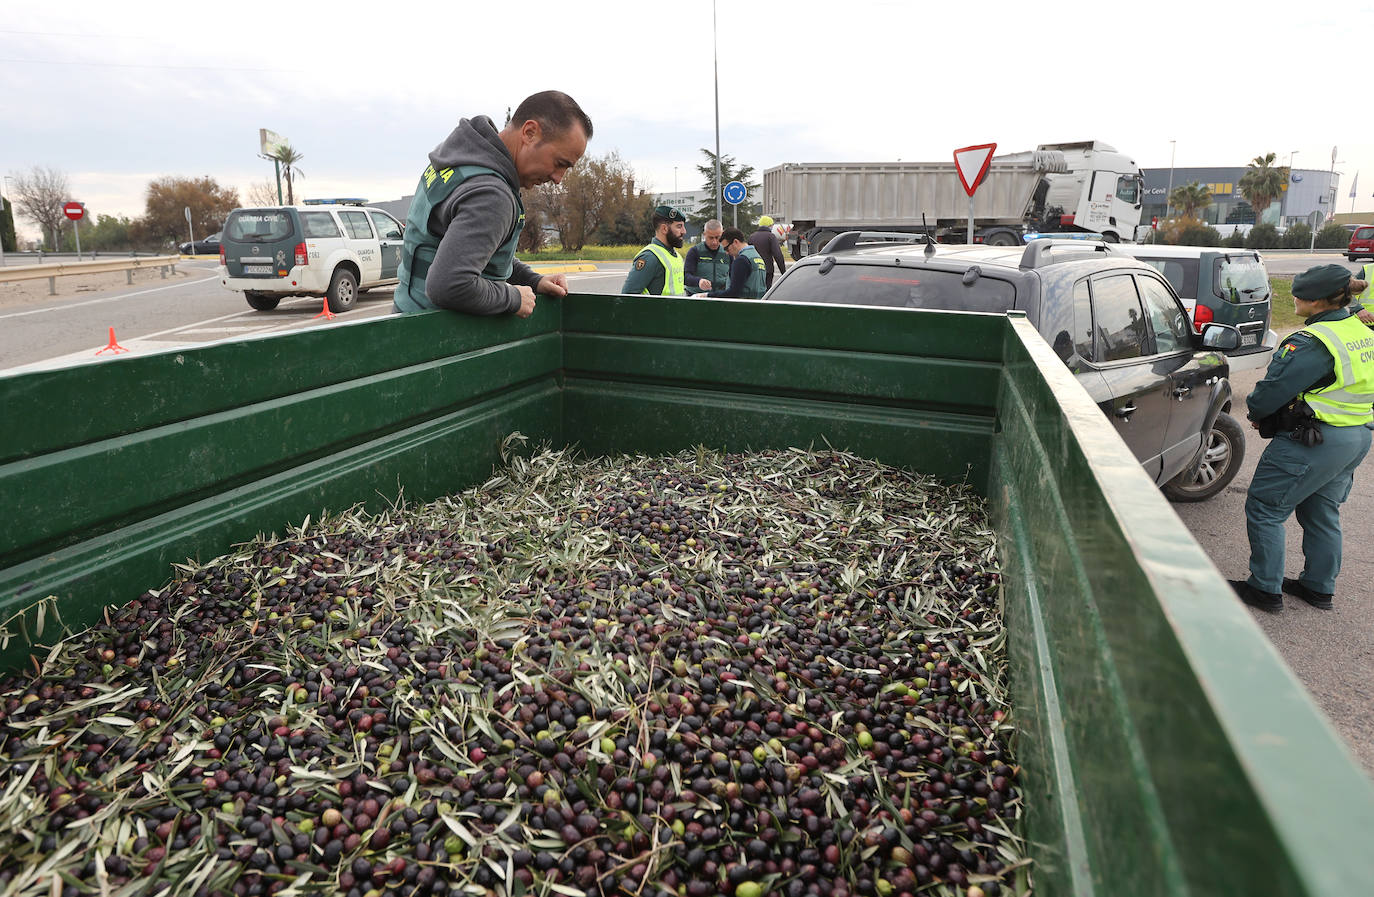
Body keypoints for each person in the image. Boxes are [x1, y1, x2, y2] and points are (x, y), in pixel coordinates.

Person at [1231, 264, 1374, 612]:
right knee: (1322, 511)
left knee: (1266, 508)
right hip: (1355, 436)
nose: (1294, 298)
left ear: (1318, 301)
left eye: (1301, 294)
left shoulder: (1314, 341)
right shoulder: (1360, 329)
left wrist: (1256, 413)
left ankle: (1264, 589)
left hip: (1313, 440)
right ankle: (1318, 587)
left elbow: (1270, 392)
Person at [394, 90, 592, 317]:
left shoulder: (459, 162)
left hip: (407, 319)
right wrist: (513, 298)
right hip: (442, 343)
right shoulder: (492, 195)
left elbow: (473, 254)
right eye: (559, 163)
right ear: (529, 132)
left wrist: (531, 280)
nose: (558, 178)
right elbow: (447, 285)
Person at [622, 206, 708, 296]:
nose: (684, 231)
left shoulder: (676, 256)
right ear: (664, 229)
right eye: (679, 226)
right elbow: (627, 297)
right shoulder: (650, 257)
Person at [705, 227, 767, 299]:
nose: (726, 252)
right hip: (759, 304)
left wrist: (708, 295)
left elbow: (733, 292)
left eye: (726, 248)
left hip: (742, 306)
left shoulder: (741, 260)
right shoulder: (756, 257)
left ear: (735, 242)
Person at [684, 220, 730, 296]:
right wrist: (699, 281)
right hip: (698, 297)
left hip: (720, 297)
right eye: (711, 238)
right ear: (704, 235)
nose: (714, 242)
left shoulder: (728, 252)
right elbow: (685, 276)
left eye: (717, 237)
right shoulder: (695, 251)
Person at [748, 215, 787, 288]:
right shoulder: (771, 236)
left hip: (754, 269)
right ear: (769, 225)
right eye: (772, 225)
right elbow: (778, 255)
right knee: (766, 291)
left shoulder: (752, 237)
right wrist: (783, 272)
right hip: (767, 270)